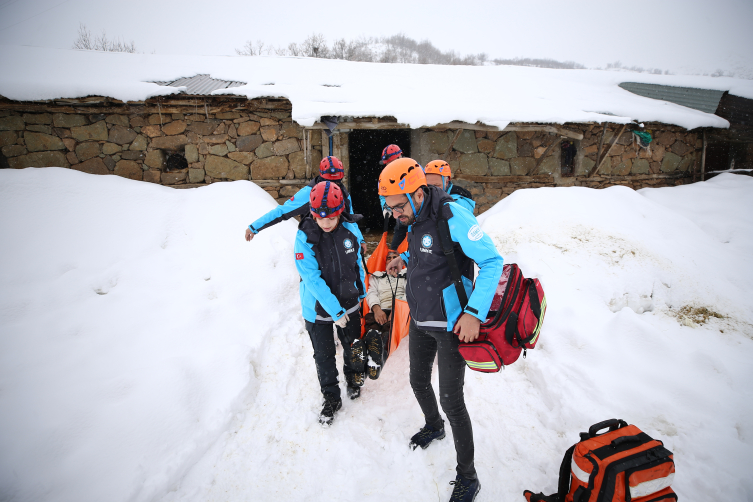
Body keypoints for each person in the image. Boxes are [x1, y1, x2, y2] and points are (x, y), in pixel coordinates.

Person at [379, 158, 503, 502]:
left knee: (452, 400)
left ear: (418, 193)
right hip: (420, 317)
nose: (395, 215)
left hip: (451, 325)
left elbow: (492, 261)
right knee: (417, 380)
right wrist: (404, 260)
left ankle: (469, 476)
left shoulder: (452, 214)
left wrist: (474, 313)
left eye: (399, 206)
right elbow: (428, 253)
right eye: (391, 209)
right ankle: (433, 426)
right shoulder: (414, 216)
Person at [293, 181, 368, 426]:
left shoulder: (350, 229)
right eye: (320, 218)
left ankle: (353, 378)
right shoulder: (305, 237)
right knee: (323, 355)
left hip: (349, 302)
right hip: (318, 309)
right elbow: (311, 278)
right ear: (312, 214)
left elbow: (357, 262)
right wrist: (334, 310)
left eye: (332, 218)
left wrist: (361, 293)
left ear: (340, 212)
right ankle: (331, 396)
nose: (325, 224)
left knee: (351, 344)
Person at [245, 156, 366, 254]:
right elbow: (281, 212)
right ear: (321, 176)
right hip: (315, 246)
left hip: (341, 245)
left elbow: (350, 219)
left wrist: (360, 240)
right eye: (328, 181)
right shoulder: (308, 194)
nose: (332, 186)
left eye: (336, 182)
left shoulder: (343, 193)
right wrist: (255, 227)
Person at [390, 159, 477, 250]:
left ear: (446, 182)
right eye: (428, 185)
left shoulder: (458, 202)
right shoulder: (424, 197)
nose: (432, 190)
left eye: (436, 185)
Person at [363, 249, 406, 379]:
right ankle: (365, 352)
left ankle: (376, 361)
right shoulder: (376, 276)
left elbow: (410, 294)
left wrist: (397, 311)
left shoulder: (408, 275)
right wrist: (376, 309)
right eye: (389, 258)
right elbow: (371, 293)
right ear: (385, 262)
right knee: (372, 329)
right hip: (380, 309)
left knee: (388, 332)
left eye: (395, 257)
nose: (392, 259)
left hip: (400, 310)